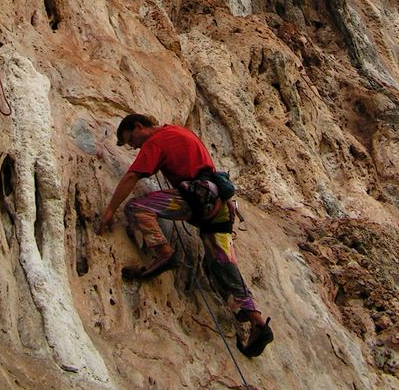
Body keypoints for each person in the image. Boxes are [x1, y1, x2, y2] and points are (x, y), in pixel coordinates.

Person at [98, 113, 274, 358]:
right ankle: (257, 323)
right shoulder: (180, 132)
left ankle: (163, 253)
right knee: (221, 264)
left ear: (138, 126)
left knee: (136, 208)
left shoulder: (157, 140)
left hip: (196, 198)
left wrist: (110, 209)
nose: (134, 146)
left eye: (131, 140)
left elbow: (132, 175)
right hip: (220, 205)